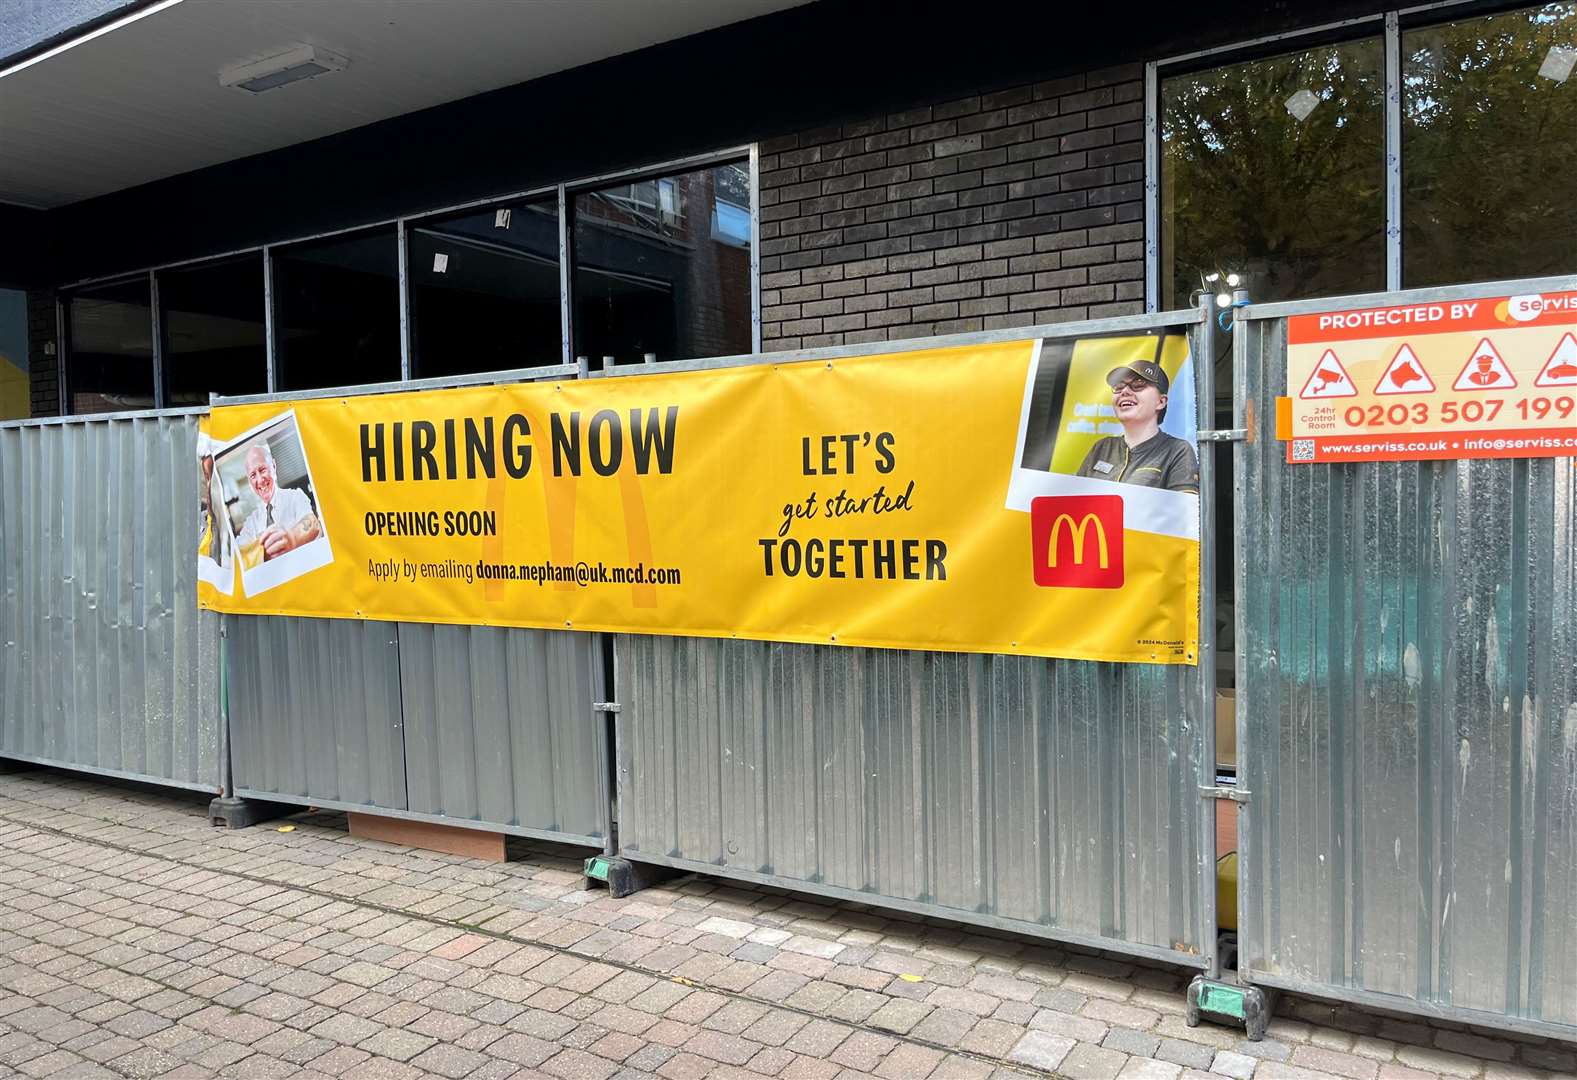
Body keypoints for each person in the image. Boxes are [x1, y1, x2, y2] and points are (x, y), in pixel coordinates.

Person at [1075, 359, 1199, 493]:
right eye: (1119, 387)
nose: (1125, 391)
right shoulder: (1102, 447)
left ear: (1161, 402)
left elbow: (1184, 510)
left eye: (1138, 384)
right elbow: (1076, 501)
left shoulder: (1178, 450)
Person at [236, 442, 321, 562]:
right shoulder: (251, 523)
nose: (260, 480)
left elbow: (313, 524)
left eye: (262, 469)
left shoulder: (295, 497)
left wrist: (291, 539)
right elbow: (238, 554)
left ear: (274, 466)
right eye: (253, 475)